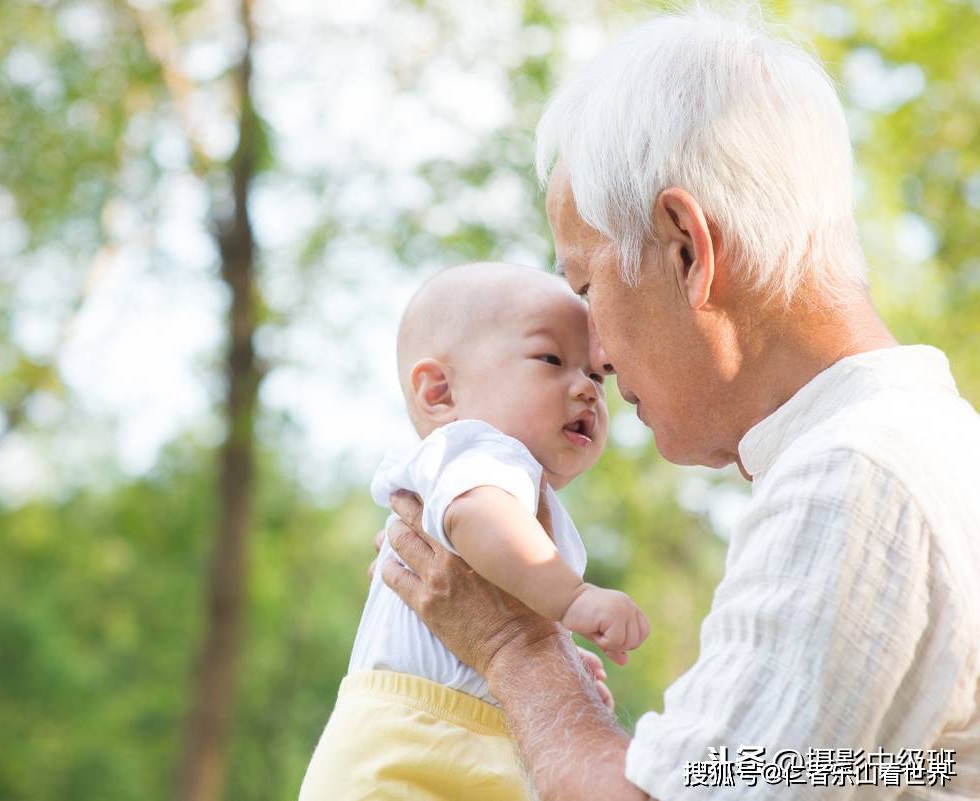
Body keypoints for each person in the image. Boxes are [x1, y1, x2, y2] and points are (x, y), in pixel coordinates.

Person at [377, 5, 980, 801]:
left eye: (587, 284)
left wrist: (513, 645)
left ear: (687, 248)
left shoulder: (853, 481)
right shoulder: (926, 447)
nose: (595, 353)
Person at [300, 262, 648, 800]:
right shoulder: (477, 450)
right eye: (551, 359)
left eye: (597, 375)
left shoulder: (515, 483)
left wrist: (558, 664)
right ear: (439, 392)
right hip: (412, 749)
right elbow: (476, 514)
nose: (587, 387)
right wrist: (573, 599)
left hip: (453, 741)